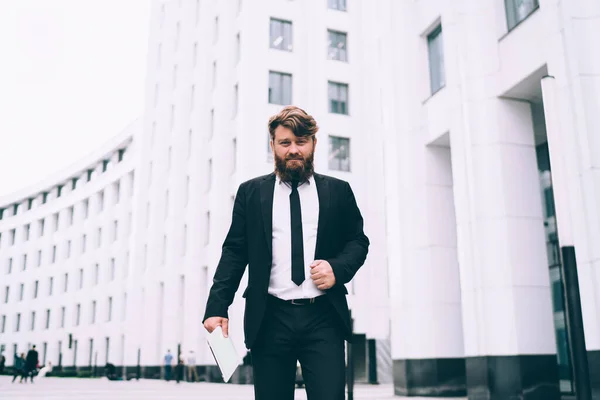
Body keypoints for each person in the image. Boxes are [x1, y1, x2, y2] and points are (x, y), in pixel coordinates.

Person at [203, 106, 369, 400]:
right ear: (273, 146)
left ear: (314, 144)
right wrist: (217, 307)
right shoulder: (251, 194)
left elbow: (358, 242)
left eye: (301, 142)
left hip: (324, 318)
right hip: (269, 317)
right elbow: (234, 252)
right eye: (285, 143)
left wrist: (337, 268)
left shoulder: (339, 191)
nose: (293, 150)